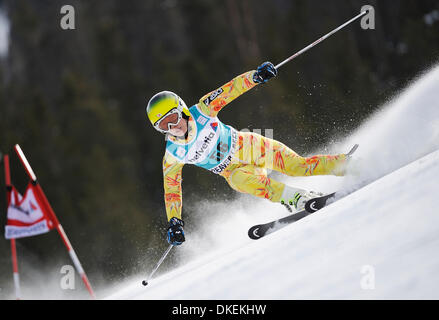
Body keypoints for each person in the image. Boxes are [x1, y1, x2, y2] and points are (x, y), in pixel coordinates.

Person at [146, 62, 354, 246]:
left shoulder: (203, 110)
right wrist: (174, 221)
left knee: (297, 167)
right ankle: (298, 198)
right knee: (239, 180)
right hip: (236, 171)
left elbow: (231, 89)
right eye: (163, 126)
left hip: (251, 148)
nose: (172, 127)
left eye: (173, 118)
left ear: (181, 109)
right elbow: (172, 189)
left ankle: (347, 165)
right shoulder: (173, 154)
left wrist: (256, 77)